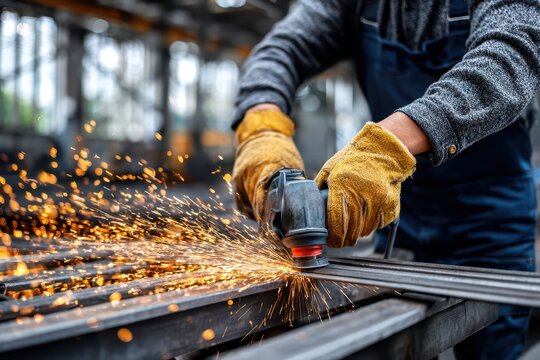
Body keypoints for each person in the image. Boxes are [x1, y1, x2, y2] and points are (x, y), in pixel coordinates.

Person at [231, 1, 540, 358]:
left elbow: (509, 57)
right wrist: (261, 126)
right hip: (400, 218)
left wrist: (388, 146)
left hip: (491, 223)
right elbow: (280, 50)